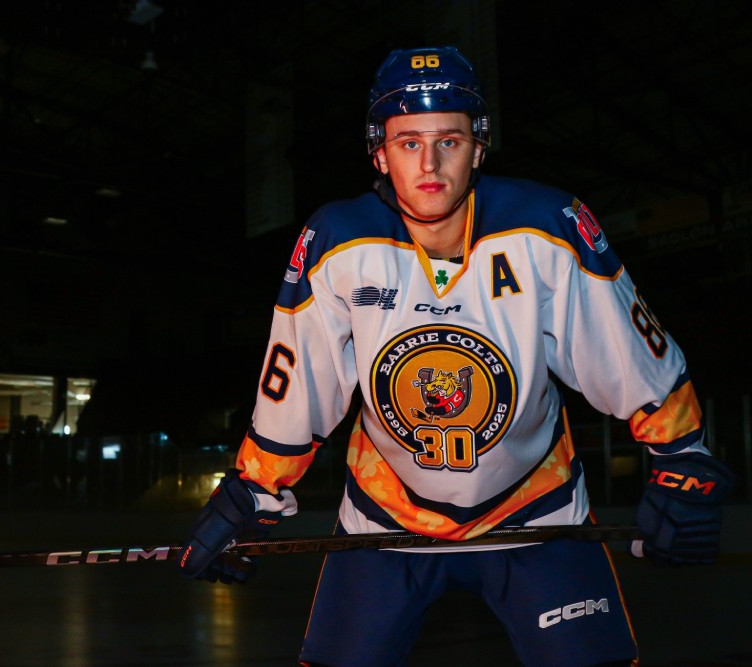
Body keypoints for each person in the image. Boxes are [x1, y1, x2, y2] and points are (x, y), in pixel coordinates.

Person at [177, 46, 733, 667]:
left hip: (537, 513)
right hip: (382, 521)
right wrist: (255, 489)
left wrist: (683, 458)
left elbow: (627, 353)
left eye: (450, 140)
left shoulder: (547, 224)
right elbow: (301, 379)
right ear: (379, 152)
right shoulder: (336, 239)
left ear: (480, 146)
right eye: (408, 142)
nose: (430, 163)